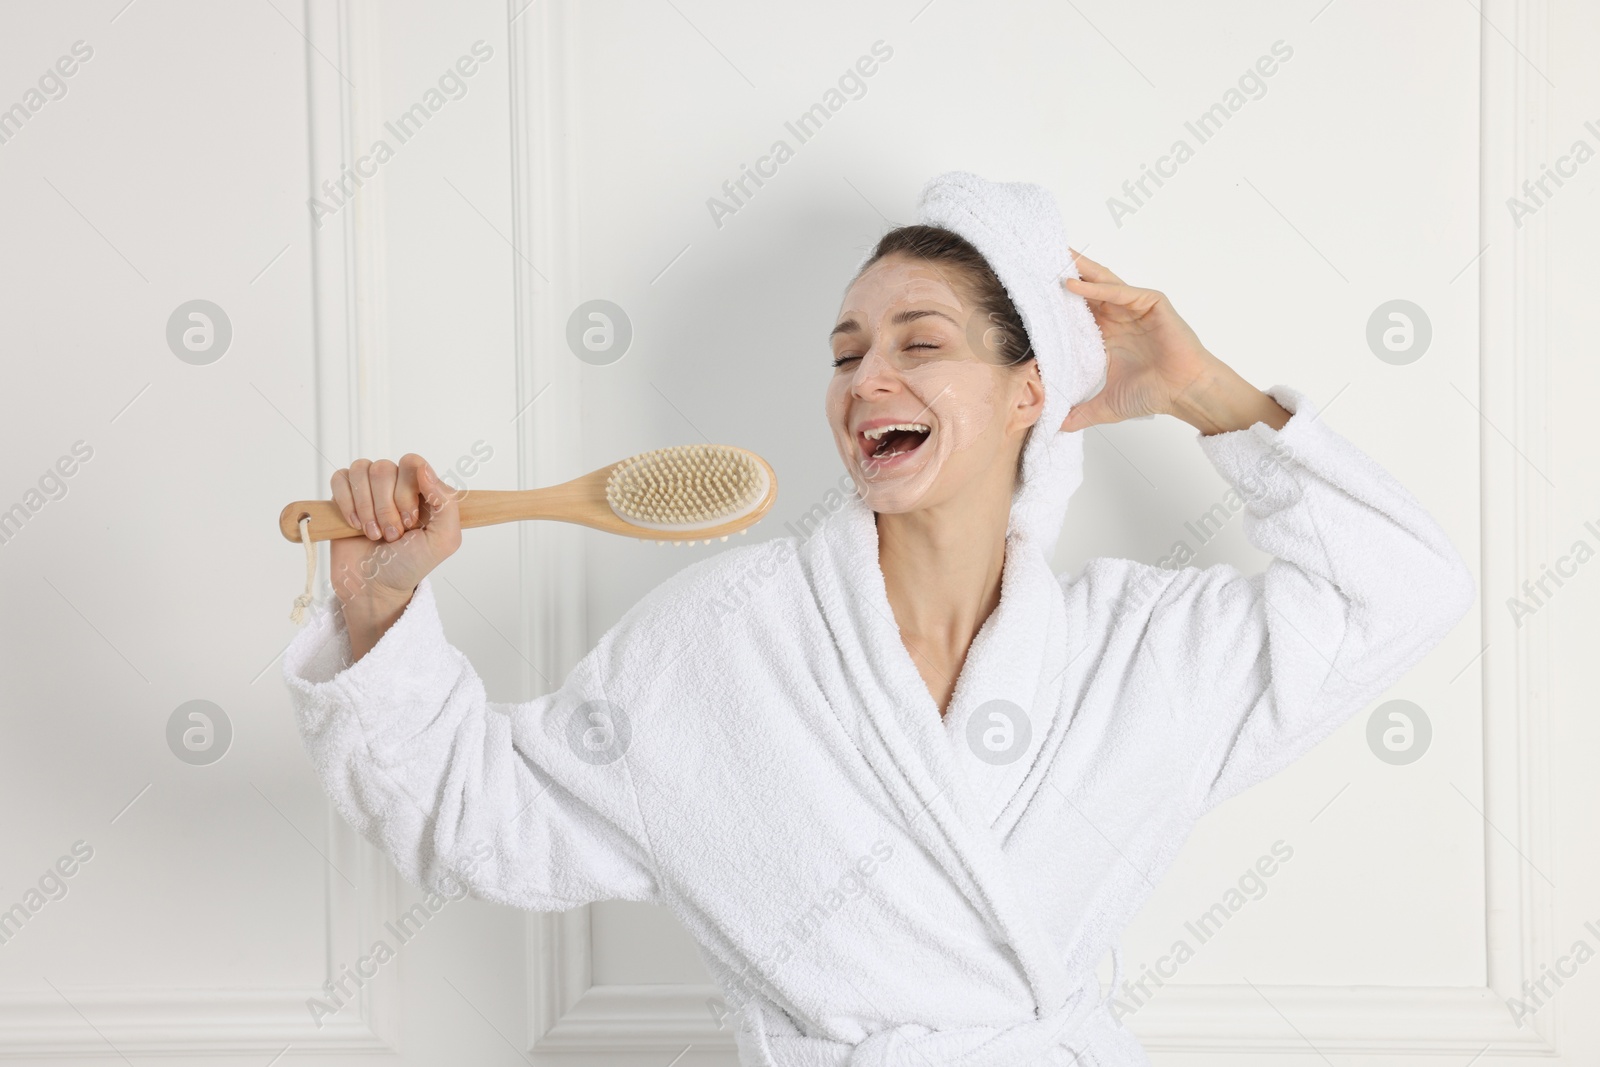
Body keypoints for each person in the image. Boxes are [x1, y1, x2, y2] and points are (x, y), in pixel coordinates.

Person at [283, 171, 1474, 1066]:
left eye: (920, 344)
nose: (864, 380)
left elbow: (1400, 587)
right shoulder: (723, 641)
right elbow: (473, 820)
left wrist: (1203, 391)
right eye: (847, 352)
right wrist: (381, 606)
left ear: (1031, 395)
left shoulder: (1135, 650)